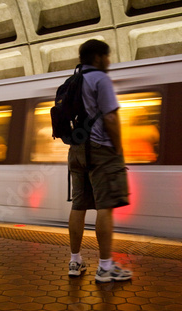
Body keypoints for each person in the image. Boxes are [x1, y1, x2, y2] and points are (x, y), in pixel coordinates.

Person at [67, 39, 132, 282]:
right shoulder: (100, 79)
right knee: (105, 206)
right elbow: (111, 119)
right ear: (97, 58)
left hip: (76, 150)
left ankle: (75, 261)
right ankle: (105, 267)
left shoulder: (73, 79)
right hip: (100, 149)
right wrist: (118, 149)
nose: (109, 61)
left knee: (78, 205)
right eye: (107, 56)